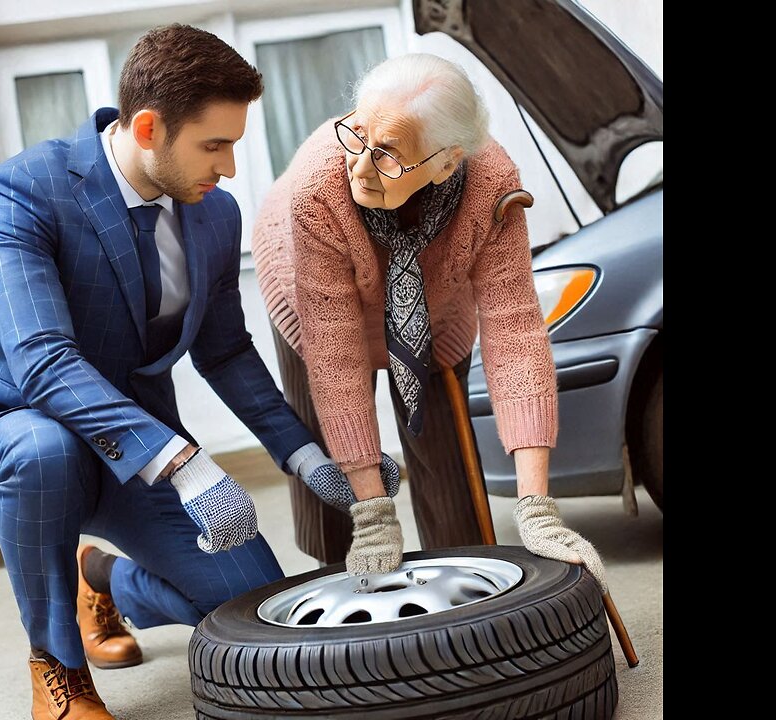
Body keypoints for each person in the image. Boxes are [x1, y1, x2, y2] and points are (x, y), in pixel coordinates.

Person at [0, 25, 395, 720]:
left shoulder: (213, 214)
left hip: (138, 457)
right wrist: (187, 465)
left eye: (234, 144)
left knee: (253, 607)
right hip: (26, 436)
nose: (230, 167)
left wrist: (304, 457)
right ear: (149, 127)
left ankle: (107, 583)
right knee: (44, 449)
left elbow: (224, 352)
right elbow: (40, 357)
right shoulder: (24, 190)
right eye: (215, 145)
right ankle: (57, 668)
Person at [251, 53, 608, 588]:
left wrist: (538, 507)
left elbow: (516, 333)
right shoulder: (318, 188)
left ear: (447, 161)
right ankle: (334, 591)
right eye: (358, 135)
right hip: (311, 298)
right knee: (329, 486)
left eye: (389, 154)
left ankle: (463, 592)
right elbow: (336, 356)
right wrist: (372, 512)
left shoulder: (492, 185)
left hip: (436, 310)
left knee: (451, 480)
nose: (361, 166)